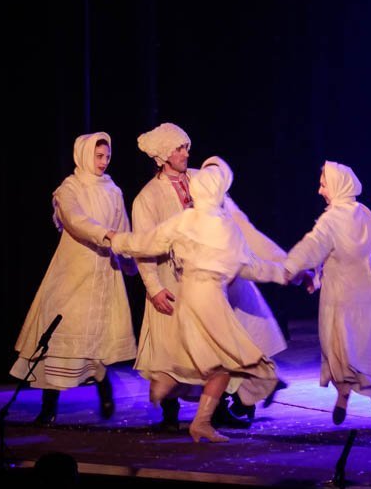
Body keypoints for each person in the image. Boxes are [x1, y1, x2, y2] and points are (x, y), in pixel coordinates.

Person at [108, 161, 284, 443]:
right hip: (211, 299)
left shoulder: (186, 219)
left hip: (187, 294)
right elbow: (251, 267)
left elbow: (148, 242)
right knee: (230, 358)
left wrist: (118, 241)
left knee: (207, 359)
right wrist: (286, 273)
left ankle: (177, 394)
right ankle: (196, 408)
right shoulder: (224, 226)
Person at [10, 133, 137, 425]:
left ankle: (104, 387)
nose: (104, 162)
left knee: (96, 336)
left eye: (107, 157)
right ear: (84, 155)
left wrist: (131, 261)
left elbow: (123, 229)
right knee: (59, 336)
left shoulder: (113, 190)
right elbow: (75, 220)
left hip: (104, 273)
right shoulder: (70, 187)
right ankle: (48, 407)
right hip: (72, 273)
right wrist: (105, 234)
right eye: (98, 156)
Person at [282, 162, 371, 431]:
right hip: (366, 291)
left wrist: (289, 267)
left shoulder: (332, 219)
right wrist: (319, 273)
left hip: (340, 296)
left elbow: (313, 246)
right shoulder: (363, 212)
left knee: (339, 347)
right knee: (364, 349)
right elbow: (361, 246)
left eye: (323, 185)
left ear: (337, 185)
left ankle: (344, 394)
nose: (320, 190)